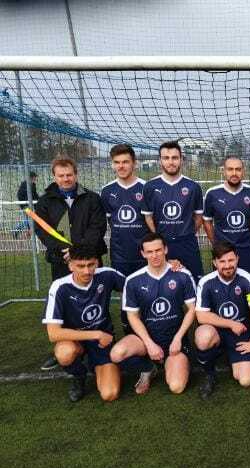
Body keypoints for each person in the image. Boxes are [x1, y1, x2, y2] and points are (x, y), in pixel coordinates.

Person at [35, 157, 107, 371]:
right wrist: (64, 251)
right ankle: (66, 346)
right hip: (61, 261)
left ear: (76, 174)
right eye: (61, 175)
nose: (66, 179)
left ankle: (97, 343)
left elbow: (98, 227)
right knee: (64, 303)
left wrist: (79, 252)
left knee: (95, 299)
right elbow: (43, 231)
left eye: (69, 175)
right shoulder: (45, 202)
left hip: (89, 259)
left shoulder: (92, 198)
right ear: (54, 176)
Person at [111, 233, 196, 395]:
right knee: (116, 354)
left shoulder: (182, 274)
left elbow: (192, 309)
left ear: (165, 249)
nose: (154, 255)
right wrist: (149, 343)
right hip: (146, 340)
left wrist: (178, 338)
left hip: (175, 340)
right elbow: (132, 316)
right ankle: (148, 368)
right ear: (143, 254)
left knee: (177, 386)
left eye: (158, 250)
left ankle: (171, 362)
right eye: (149, 252)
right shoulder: (133, 280)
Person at [41, 245, 124, 402]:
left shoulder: (107, 275)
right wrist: (97, 334)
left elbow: (135, 285)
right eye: (80, 266)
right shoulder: (59, 287)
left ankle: (95, 363)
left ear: (97, 263)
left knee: (110, 394)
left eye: (90, 265)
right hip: (76, 340)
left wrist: (169, 268)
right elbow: (53, 334)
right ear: (71, 265)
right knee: (64, 353)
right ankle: (79, 375)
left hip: (102, 343)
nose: (86, 271)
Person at [194, 241, 250, 399]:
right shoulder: (206, 282)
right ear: (215, 262)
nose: (227, 265)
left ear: (237, 259)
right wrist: (231, 323)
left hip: (240, 334)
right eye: (222, 261)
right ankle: (209, 375)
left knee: (245, 380)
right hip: (217, 332)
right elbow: (201, 316)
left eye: (231, 260)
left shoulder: (247, 279)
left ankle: (231, 355)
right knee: (203, 337)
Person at [100, 144, 148, 335]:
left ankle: (153, 331)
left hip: (145, 254)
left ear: (134, 163)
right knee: (125, 295)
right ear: (112, 164)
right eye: (117, 162)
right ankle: (130, 333)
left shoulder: (146, 188)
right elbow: (108, 222)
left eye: (125, 162)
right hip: (120, 254)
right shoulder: (106, 191)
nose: (121, 166)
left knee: (147, 292)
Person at [141, 141, 204, 282]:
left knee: (195, 282)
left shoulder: (193, 187)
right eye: (166, 158)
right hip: (163, 244)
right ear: (160, 161)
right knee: (165, 284)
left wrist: (187, 233)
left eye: (175, 158)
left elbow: (198, 217)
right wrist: (159, 239)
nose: (171, 162)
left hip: (187, 243)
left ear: (181, 159)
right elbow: (148, 218)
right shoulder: (150, 186)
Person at [203, 156, 250, 281]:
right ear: (224, 171)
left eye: (238, 169)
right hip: (223, 251)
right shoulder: (212, 193)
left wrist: (244, 236)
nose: (234, 173)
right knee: (223, 283)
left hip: (246, 249)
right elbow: (207, 222)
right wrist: (216, 243)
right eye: (230, 169)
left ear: (243, 171)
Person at [14, 171, 38, 238]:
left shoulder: (33, 185)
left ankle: (26, 232)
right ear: (31, 177)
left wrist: (38, 201)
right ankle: (17, 230)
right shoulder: (24, 184)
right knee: (27, 220)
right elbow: (19, 195)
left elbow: (35, 195)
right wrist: (24, 203)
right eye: (34, 177)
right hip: (25, 205)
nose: (35, 179)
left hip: (31, 205)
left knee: (30, 219)